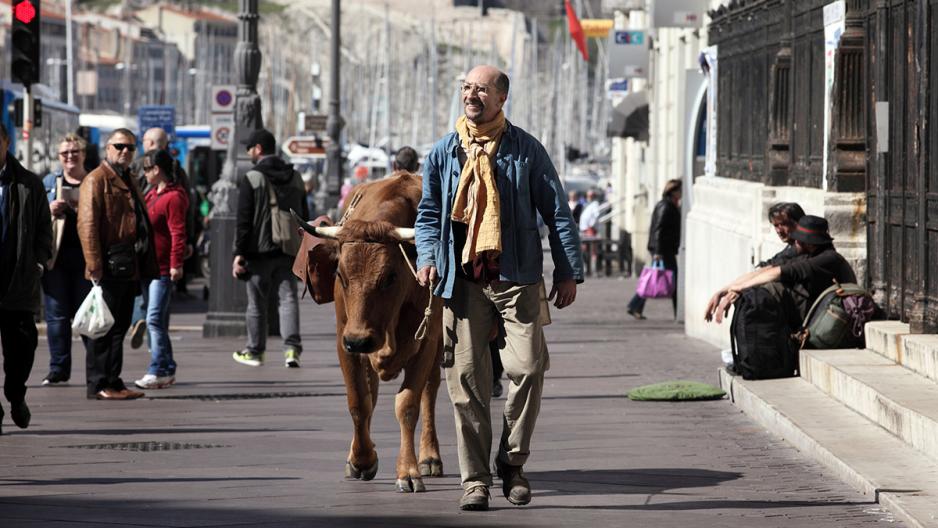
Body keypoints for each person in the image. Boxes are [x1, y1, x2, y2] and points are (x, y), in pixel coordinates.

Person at [415, 65, 583, 511]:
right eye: (467, 88)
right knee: (466, 383)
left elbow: (557, 213)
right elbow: (429, 213)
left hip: (519, 279)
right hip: (464, 282)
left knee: (528, 369)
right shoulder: (445, 151)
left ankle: (512, 462)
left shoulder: (527, 150)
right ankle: (475, 481)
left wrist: (568, 271)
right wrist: (429, 258)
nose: (472, 95)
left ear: (501, 98)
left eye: (481, 89)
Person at [78, 128, 158, 400]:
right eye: (119, 146)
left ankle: (113, 380)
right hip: (108, 264)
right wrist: (94, 266)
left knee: (120, 325)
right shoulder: (96, 180)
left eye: (130, 148)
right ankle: (99, 383)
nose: (125, 151)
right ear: (108, 148)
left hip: (128, 263)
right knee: (103, 326)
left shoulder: (128, 178)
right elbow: (87, 225)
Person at [231, 129, 308, 369]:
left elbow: (243, 221)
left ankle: (255, 351)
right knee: (288, 299)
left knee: (256, 303)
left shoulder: (252, 177)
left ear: (258, 149)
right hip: (288, 249)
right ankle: (292, 350)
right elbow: (305, 216)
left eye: (250, 148)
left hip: (258, 250)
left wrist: (239, 254)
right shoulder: (295, 176)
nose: (248, 152)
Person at [704, 215, 857, 324]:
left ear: (811, 243)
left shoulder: (828, 259)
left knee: (770, 291)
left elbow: (778, 273)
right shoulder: (806, 253)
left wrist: (739, 288)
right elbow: (767, 270)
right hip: (815, 317)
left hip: (833, 322)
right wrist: (726, 290)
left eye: (799, 239)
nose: (794, 241)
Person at [0, 123, 52, 434]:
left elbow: (45, 229)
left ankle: (15, 394)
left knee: (22, 348)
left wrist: (38, 262)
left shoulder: (29, 184)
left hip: (18, 280)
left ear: (6, 142)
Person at [40, 133, 93, 386]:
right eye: (65, 153)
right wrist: (48, 209)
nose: (70, 157)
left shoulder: (94, 180)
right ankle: (58, 368)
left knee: (88, 317)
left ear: (83, 154)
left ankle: (96, 369)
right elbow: (34, 215)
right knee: (56, 317)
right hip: (56, 259)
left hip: (86, 259)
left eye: (75, 152)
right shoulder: (50, 182)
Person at [133, 150, 189, 389]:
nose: (144, 173)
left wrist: (177, 264)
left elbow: (178, 232)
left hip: (163, 268)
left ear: (157, 169)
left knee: (154, 319)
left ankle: (157, 369)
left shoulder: (173, 197)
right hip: (149, 266)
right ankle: (166, 367)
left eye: (147, 169)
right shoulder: (151, 194)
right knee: (156, 321)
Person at [626, 179, 682, 320]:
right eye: (679, 190)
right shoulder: (666, 206)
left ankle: (635, 305)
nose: (681, 193)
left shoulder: (669, 205)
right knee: (672, 279)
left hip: (664, 249)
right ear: (673, 191)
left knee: (654, 278)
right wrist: (658, 251)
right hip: (663, 250)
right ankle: (679, 312)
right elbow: (659, 229)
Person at [757, 202, 805, 268]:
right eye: (775, 225)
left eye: (784, 224)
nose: (779, 230)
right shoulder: (790, 247)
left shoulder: (804, 250)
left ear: (797, 223)